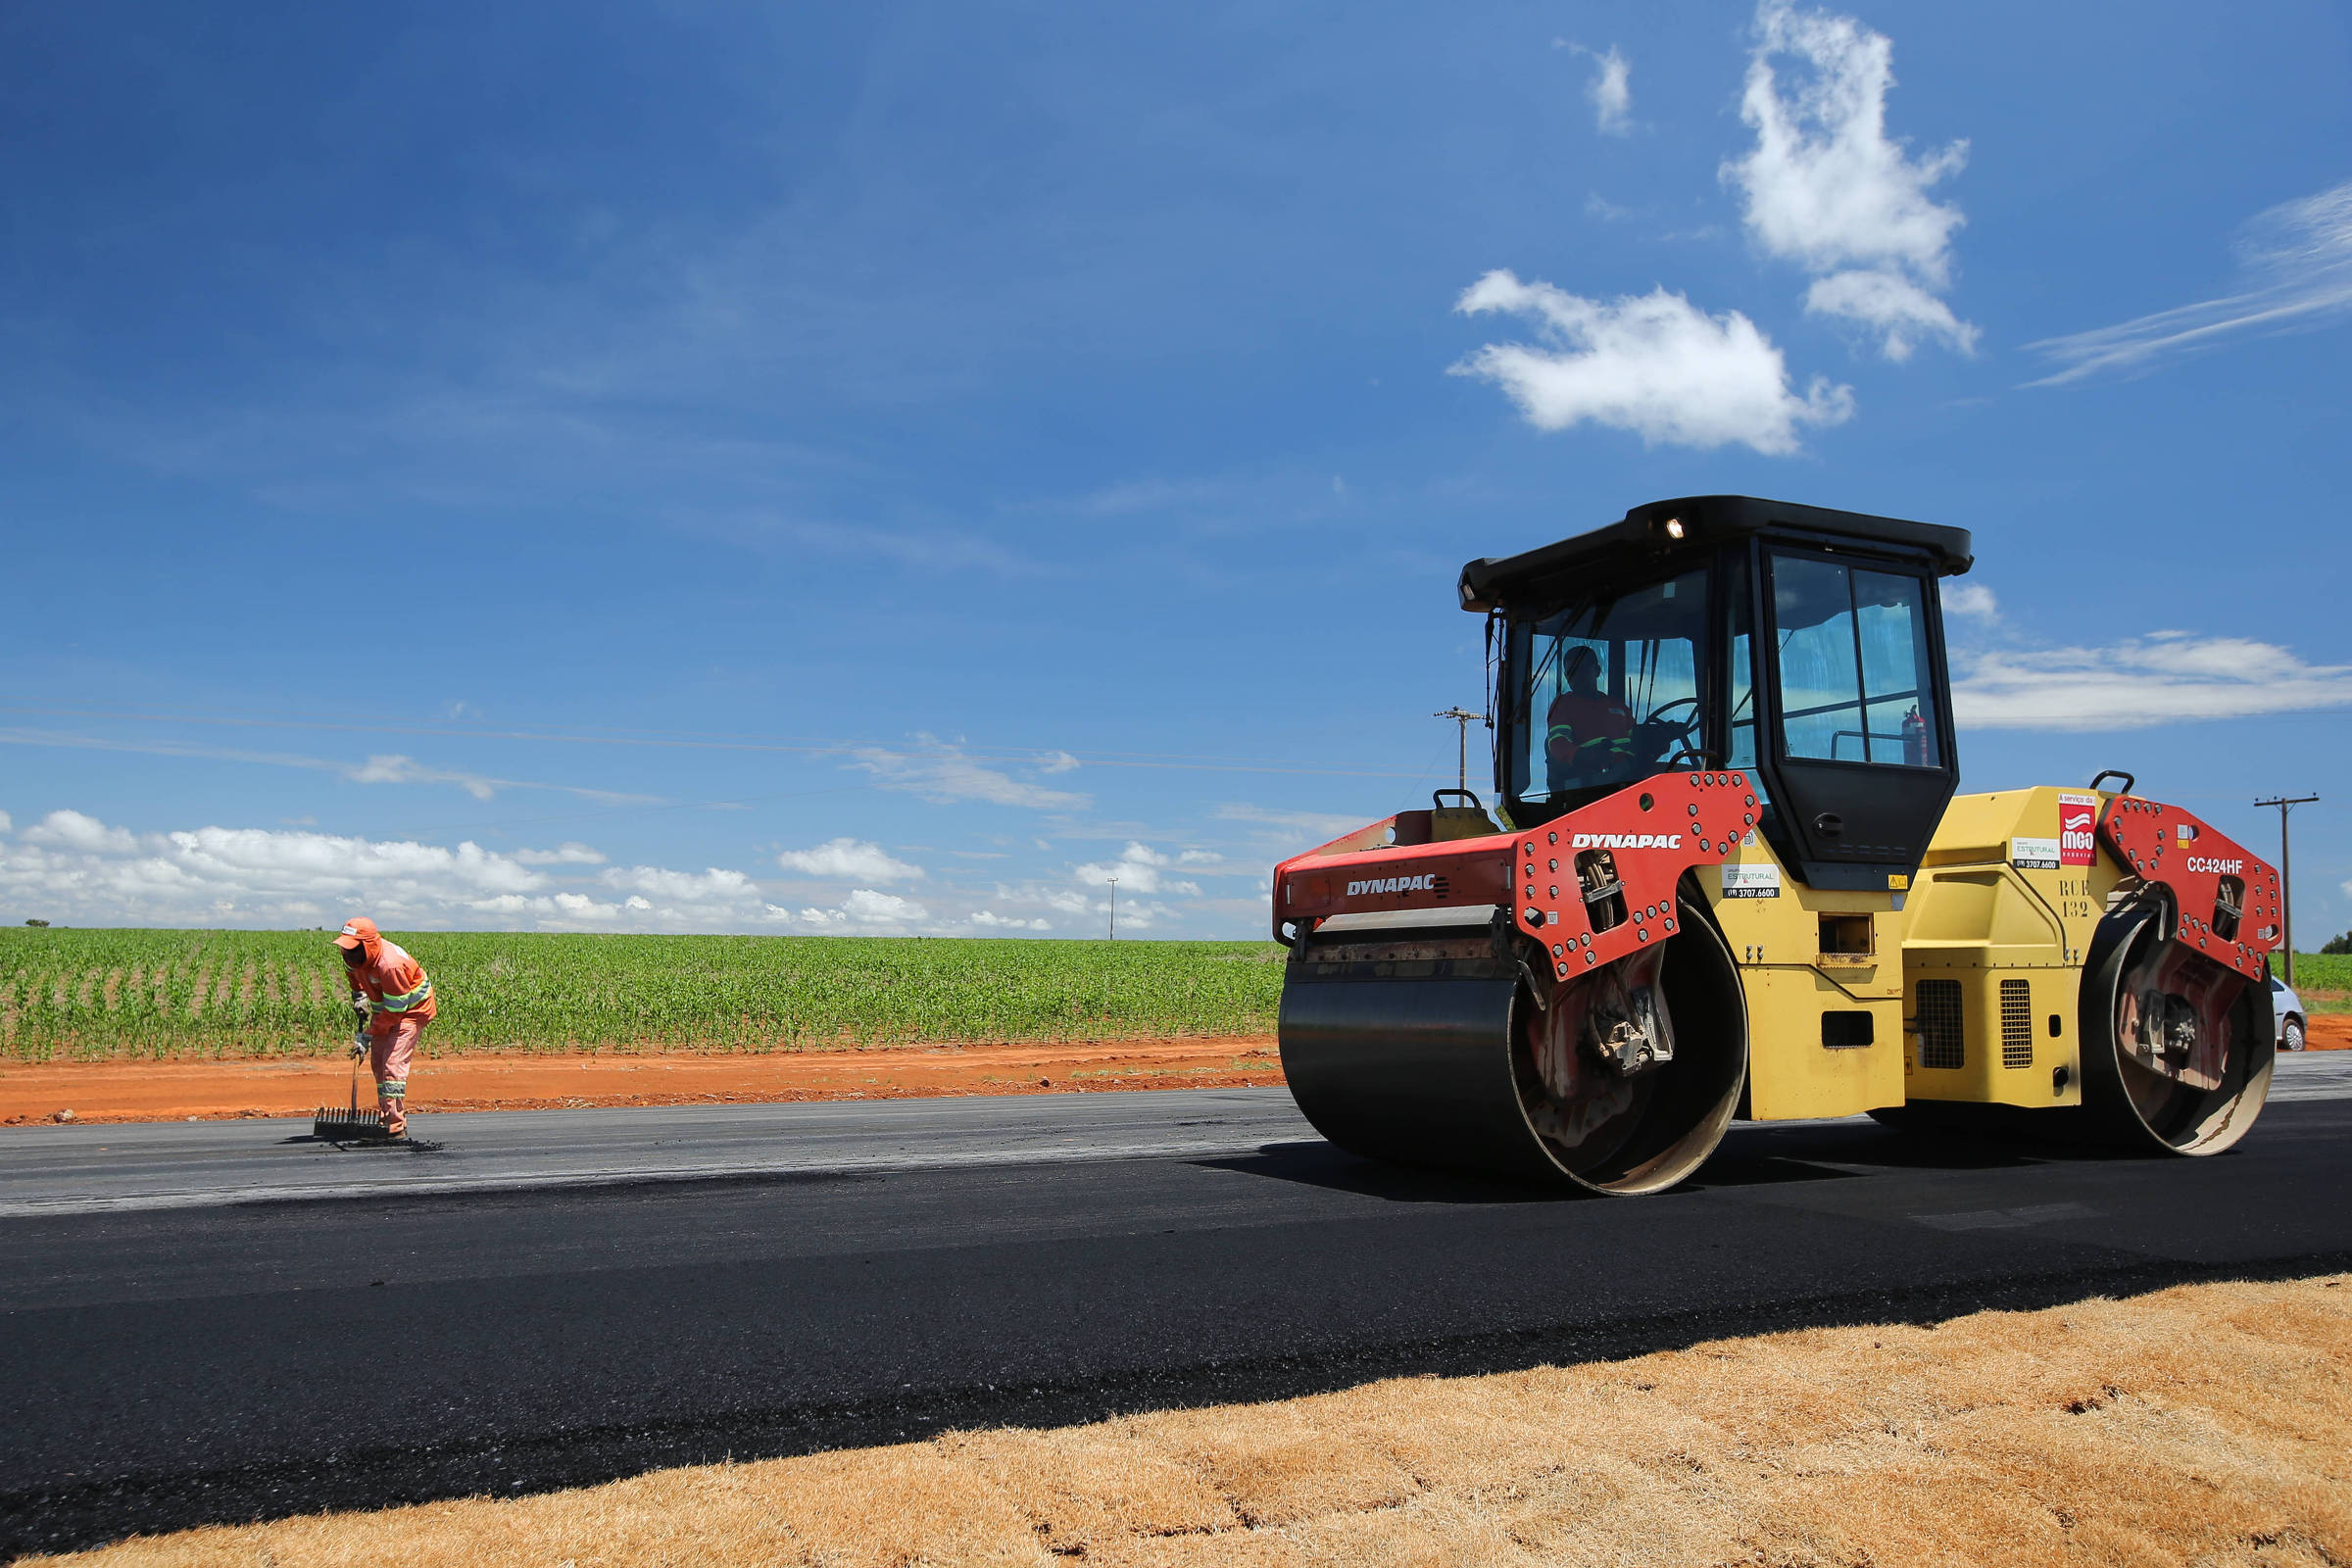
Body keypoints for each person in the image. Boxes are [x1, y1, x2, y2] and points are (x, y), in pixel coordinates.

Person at [333, 916, 435, 1139]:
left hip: (410, 1011)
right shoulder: (353, 957)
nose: (347, 954)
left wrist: (367, 1036)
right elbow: (353, 975)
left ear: (368, 945)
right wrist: (358, 995)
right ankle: (386, 1115)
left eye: (352, 949)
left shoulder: (390, 965)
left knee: (392, 1065)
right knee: (378, 1063)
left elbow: (396, 1011)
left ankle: (395, 1126)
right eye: (345, 948)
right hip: (387, 1009)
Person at [1544, 645, 1636, 794]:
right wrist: (1584, 756)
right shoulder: (1563, 704)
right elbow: (1558, 743)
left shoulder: (1619, 707)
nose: (1575, 677)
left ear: (1597, 671)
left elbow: (1637, 742)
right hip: (1591, 786)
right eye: (1570, 673)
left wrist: (1659, 737)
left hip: (1629, 779)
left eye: (1581, 671)